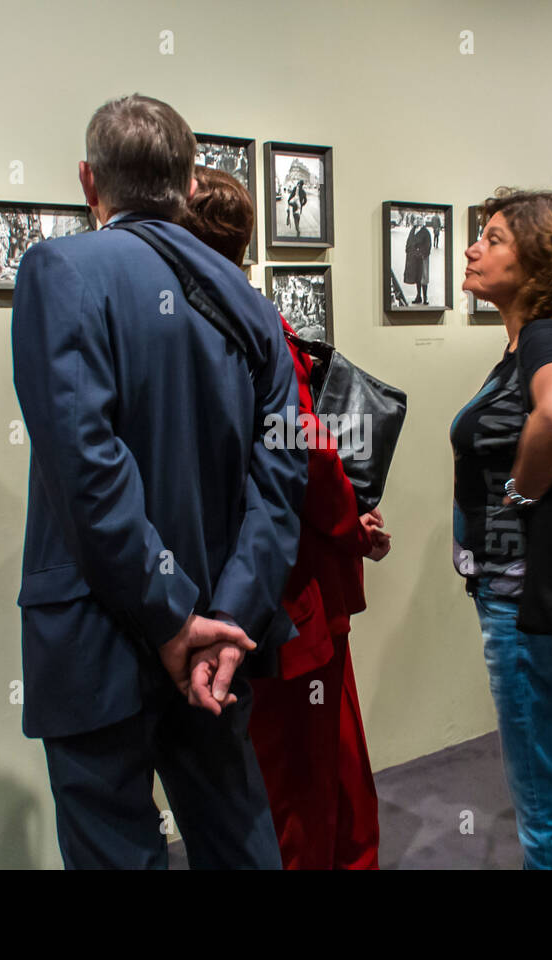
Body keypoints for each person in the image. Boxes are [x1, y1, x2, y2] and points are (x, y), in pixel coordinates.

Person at [10, 96, 307, 869]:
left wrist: (172, 619)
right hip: (220, 633)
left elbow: (88, 467)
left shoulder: (62, 267)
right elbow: (280, 483)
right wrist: (226, 617)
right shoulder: (255, 306)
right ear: (183, 180)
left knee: (114, 848)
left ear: (88, 179)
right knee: (236, 838)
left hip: (100, 628)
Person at [180, 164, 391, 869]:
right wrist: (348, 522)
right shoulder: (252, 318)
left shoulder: (236, 325)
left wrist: (344, 522)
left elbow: (304, 450)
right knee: (321, 754)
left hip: (282, 584)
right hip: (289, 577)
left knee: (295, 769)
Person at [452, 189, 552, 869]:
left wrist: (516, 497)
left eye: (491, 238)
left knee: (540, 783)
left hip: (526, 597)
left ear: (539, 259)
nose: (471, 248)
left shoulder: (547, 334)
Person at [404, 214, 433, 304]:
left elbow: (428, 245)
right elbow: (409, 242)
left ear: (423, 220)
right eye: (417, 218)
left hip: (422, 258)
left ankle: (425, 298)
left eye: (420, 218)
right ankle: (418, 296)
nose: (418, 220)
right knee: (417, 277)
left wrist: (421, 253)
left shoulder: (426, 232)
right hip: (414, 258)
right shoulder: (413, 230)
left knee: (423, 277)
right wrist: (409, 250)